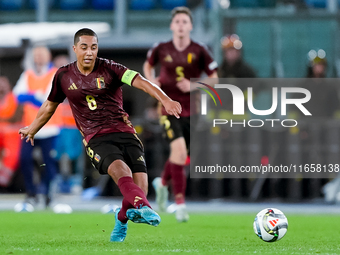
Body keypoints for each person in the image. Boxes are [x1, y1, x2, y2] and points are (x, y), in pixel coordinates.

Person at [19, 28, 182, 242]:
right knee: (121, 171)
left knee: (139, 187)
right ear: (75, 49)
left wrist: (165, 99)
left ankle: (122, 217)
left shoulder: (111, 68)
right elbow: (49, 106)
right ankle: (144, 207)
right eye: (84, 47)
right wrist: (32, 128)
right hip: (95, 137)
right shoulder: (63, 75)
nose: (89, 52)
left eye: (94, 47)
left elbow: (141, 81)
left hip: (125, 131)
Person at [143, 6, 218, 222]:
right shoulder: (161, 48)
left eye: (185, 22)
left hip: (193, 110)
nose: (181, 25)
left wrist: (194, 85)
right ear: (171, 26)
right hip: (169, 108)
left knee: (182, 156)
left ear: (191, 26)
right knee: (179, 150)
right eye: (177, 22)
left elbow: (215, 78)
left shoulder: (200, 50)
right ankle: (180, 204)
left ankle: (162, 182)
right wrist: (152, 80)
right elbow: (148, 66)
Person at [13, 46, 62, 207]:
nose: (39, 58)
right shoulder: (28, 74)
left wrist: (30, 96)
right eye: (36, 55)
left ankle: (47, 194)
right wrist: (34, 96)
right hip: (30, 127)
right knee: (24, 159)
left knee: (49, 163)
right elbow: (17, 96)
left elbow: (48, 99)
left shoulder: (54, 73)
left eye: (42, 55)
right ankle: (31, 193)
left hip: (49, 127)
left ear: (48, 56)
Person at [0, 76, 22, 187]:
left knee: (12, 146)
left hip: (10, 132)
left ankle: (7, 172)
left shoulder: (14, 99)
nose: (1, 86)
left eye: (4, 83)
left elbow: (17, 117)